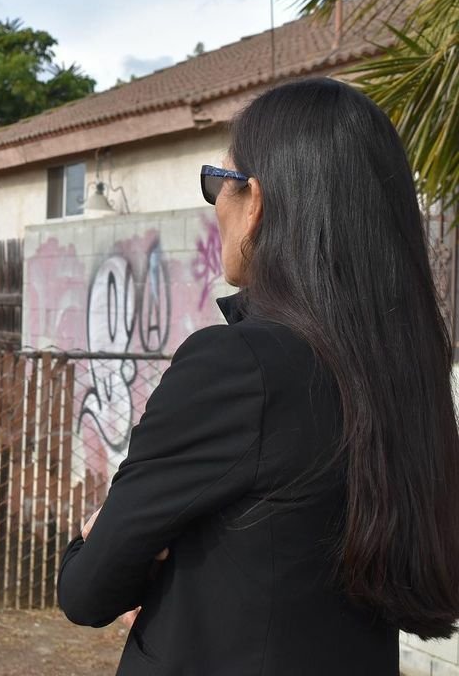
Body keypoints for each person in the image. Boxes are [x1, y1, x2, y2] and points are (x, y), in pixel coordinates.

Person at [58, 78, 459, 674]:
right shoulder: (402, 373)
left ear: (257, 202)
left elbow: (87, 591)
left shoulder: (239, 366)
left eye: (218, 181)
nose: (215, 203)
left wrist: (101, 540)